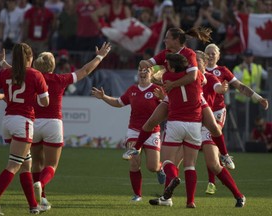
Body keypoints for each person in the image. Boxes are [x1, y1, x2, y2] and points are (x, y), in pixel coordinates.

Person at [0, 42, 112, 209]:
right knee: (50, 165)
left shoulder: (27, 75)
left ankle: (41, 199)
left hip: (33, 124)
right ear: (53, 65)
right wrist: (100, 56)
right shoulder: (59, 79)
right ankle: (40, 185)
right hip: (51, 123)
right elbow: (85, 70)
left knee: (33, 163)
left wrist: (3, 63)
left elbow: (15, 70)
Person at [123, 27, 233, 173]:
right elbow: (149, 63)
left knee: (213, 127)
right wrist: (145, 64)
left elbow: (192, 77)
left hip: (195, 98)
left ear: (175, 40)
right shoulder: (165, 54)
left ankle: (225, 155)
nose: (164, 40)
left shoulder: (189, 54)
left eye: (167, 37)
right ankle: (135, 149)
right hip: (174, 98)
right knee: (150, 122)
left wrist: (171, 83)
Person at [0, 43, 49, 215]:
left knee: (25, 165)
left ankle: (33, 206)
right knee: (14, 165)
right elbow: (45, 102)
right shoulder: (36, 74)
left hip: (8, 122)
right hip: (24, 122)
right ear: (30, 57)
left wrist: (5, 96)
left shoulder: (6, 72)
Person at [91, 67, 166, 202]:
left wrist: (163, 97)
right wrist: (103, 97)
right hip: (134, 131)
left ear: (151, 73)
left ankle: (160, 168)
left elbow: (169, 104)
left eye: (146, 70)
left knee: (152, 167)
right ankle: (137, 195)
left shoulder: (156, 89)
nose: (142, 72)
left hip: (152, 131)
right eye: (140, 70)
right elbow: (118, 103)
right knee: (133, 163)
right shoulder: (132, 90)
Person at [149, 53, 203, 208]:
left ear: (171, 67)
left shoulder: (167, 78)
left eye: (167, 64)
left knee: (166, 161)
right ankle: (190, 201)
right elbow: (202, 80)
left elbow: (154, 79)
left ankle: (173, 178)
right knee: (190, 165)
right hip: (194, 124)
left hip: (176, 123)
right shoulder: (196, 75)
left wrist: (152, 68)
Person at [196, 50, 245, 207]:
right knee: (174, 160)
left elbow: (219, 88)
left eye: (196, 60)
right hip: (188, 122)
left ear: (203, 63)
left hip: (207, 123)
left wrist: (223, 89)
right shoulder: (188, 77)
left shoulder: (210, 77)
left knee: (213, 164)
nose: (193, 63)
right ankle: (167, 196)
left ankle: (238, 195)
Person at [233, 49, 268, 140]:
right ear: (243, 57)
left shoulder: (257, 67)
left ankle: (252, 139)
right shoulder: (238, 68)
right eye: (246, 56)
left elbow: (267, 75)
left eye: (250, 56)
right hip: (242, 101)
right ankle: (241, 141)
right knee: (241, 122)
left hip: (254, 102)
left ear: (253, 57)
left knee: (253, 121)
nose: (248, 58)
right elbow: (236, 80)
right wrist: (242, 69)